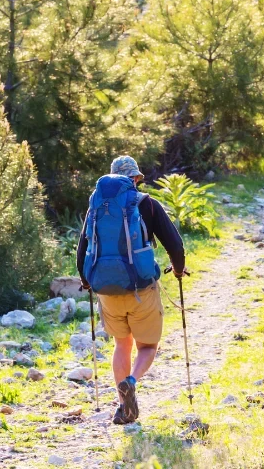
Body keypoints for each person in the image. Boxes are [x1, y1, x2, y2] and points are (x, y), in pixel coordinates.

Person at [77, 155, 185, 425]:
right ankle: (132, 381)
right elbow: (175, 245)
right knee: (147, 346)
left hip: (106, 291)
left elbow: (82, 251)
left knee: (121, 344)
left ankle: (124, 406)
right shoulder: (147, 204)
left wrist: (87, 282)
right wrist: (178, 270)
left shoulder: (96, 206)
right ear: (135, 178)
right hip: (141, 289)